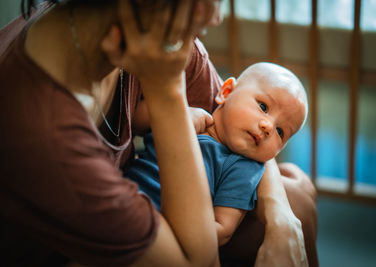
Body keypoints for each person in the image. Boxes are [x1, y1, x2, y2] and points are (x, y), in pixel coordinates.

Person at [0, 0, 317, 266]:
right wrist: (167, 93)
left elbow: (239, 122)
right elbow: (200, 262)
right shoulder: (43, 135)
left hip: (143, 208)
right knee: (299, 196)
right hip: (59, 253)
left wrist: (281, 219)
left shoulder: (147, 34)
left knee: (293, 189)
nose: (216, 16)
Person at [126, 62, 308, 247]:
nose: (268, 127)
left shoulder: (243, 168)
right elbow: (132, 123)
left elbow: (222, 230)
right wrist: (175, 116)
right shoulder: (189, 116)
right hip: (123, 193)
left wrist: (176, 235)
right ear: (226, 92)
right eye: (263, 106)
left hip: (158, 232)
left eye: (280, 131)